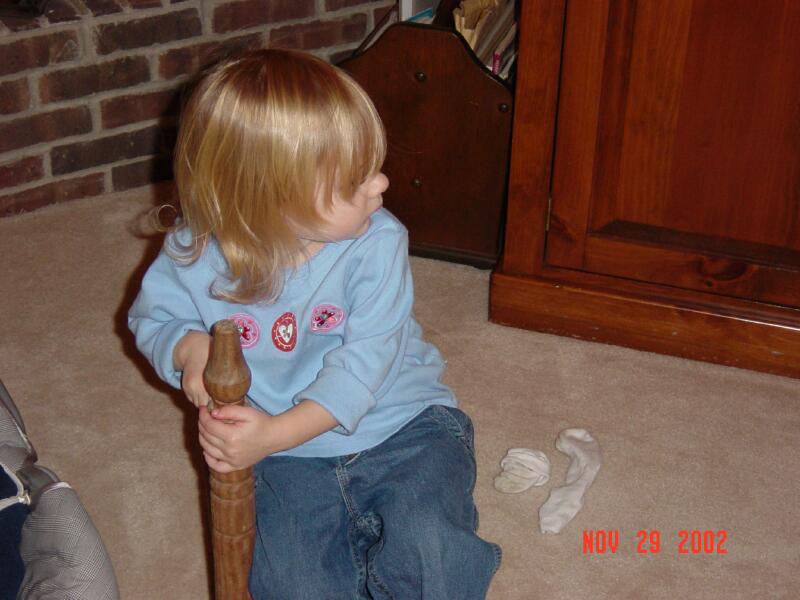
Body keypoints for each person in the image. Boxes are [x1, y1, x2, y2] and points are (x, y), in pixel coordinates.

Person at [128, 48, 501, 599]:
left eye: (373, 166)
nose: (381, 184)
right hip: (286, 458)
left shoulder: (378, 243)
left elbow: (363, 367)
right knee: (292, 583)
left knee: (433, 552)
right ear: (270, 197)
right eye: (355, 181)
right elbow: (154, 317)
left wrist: (272, 434)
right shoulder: (194, 251)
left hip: (401, 424)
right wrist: (188, 348)